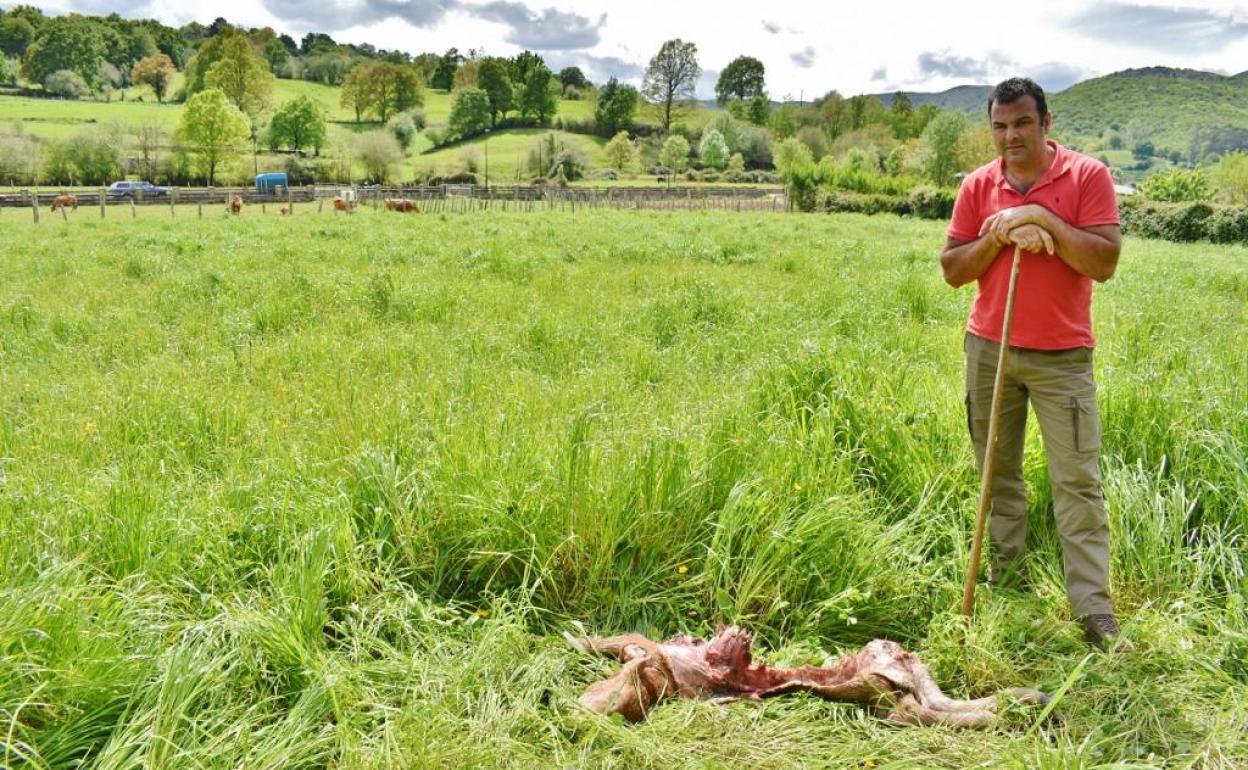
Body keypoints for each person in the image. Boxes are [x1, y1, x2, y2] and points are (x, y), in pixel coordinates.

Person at [939, 77, 1128, 650]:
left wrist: (1044, 220)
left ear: (1047, 122)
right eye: (1000, 125)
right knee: (998, 475)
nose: (1010, 135)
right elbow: (952, 268)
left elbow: (1104, 260)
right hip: (989, 349)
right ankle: (1007, 582)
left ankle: (1093, 610)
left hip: (1062, 357)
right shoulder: (978, 186)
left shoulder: (1087, 177)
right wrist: (999, 235)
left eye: (1022, 122)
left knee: (1076, 481)